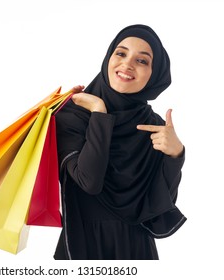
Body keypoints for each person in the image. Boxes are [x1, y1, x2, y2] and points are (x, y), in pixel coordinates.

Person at [53, 24, 186, 260]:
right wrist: (99, 113)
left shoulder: (153, 125)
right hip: (82, 245)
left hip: (137, 249)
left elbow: (159, 204)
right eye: (121, 53)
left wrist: (175, 155)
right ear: (108, 58)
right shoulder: (73, 115)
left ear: (155, 74)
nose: (127, 64)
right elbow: (89, 181)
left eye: (142, 61)